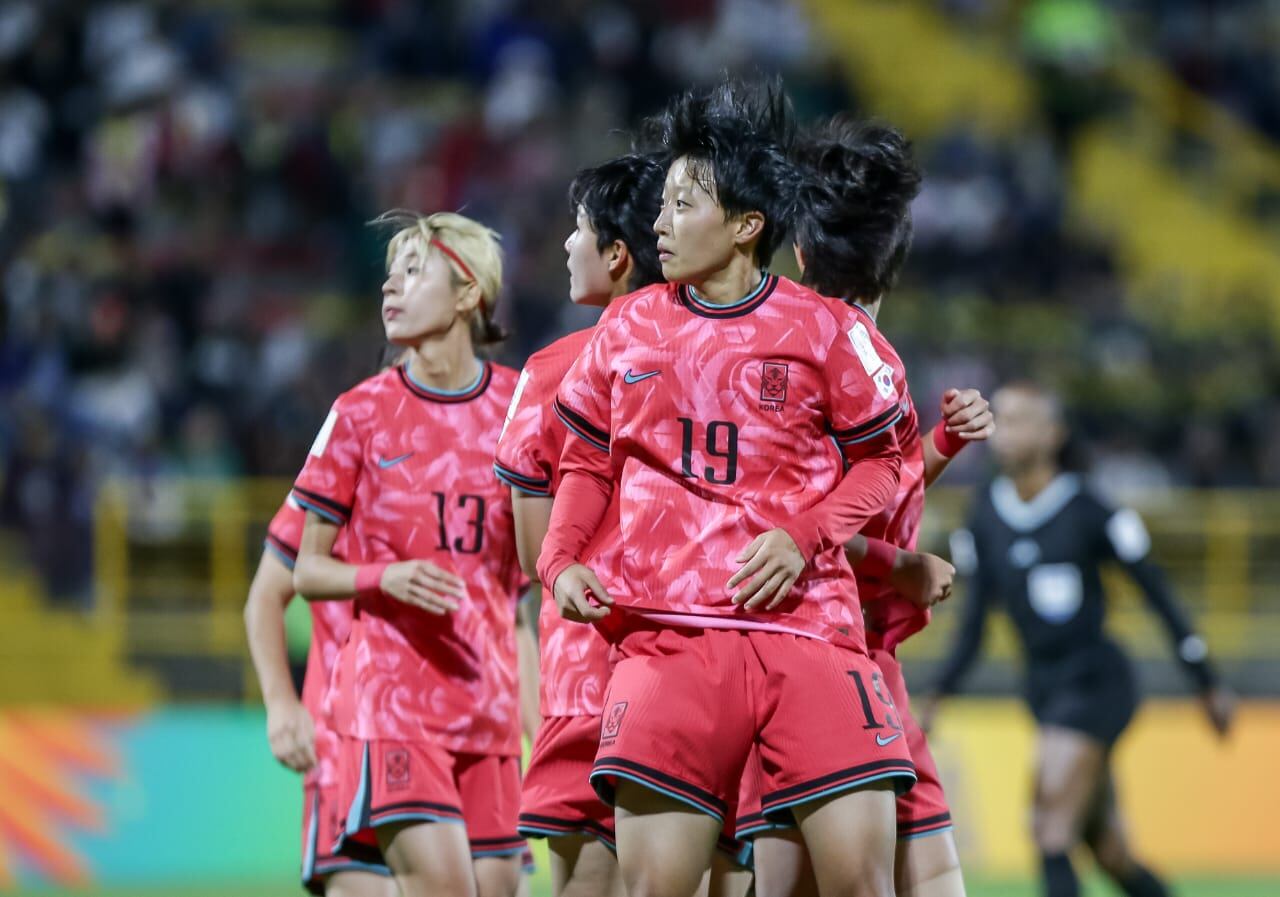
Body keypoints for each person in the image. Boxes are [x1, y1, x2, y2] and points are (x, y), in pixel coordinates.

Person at [538, 79, 915, 897]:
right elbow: (586, 461)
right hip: (667, 638)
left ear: (747, 226)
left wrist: (806, 533)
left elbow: (883, 461)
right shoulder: (627, 328)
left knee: (860, 885)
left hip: (808, 629)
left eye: (683, 204)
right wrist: (560, 560)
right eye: (664, 203)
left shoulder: (827, 331)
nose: (661, 223)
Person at [739, 117, 993, 897]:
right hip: (813, 651)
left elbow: (865, 498)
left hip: (864, 657)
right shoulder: (816, 355)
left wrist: (942, 445)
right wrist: (902, 565)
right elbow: (777, 528)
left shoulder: (856, 360)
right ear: (897, 259)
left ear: (803, 252)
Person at [291, 211, 530, 897]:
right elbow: (306, 569)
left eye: (413, 271)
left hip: (489, 707)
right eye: (389, 275)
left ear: (466, 293)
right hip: (395, 707)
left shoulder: (521, 408)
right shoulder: (358, 413)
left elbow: (527, 581)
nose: (390, 289)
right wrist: (383, 575)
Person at [922, 381, 1235, 897]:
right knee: (1108, 851)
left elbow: (1158, 595)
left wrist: (1205, 680)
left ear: (1053, 434)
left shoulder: (1090, 507)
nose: (1005, 429)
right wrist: (939, 693)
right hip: (1044, 690)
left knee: (1049, 825)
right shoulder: (984, 515)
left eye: (1021, 419)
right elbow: (974, 624)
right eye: (1002, 416)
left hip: (1096, 684)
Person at [495, 152, 665, 897]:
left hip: (582, 669)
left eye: (579, 229)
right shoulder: (715, 359)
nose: (567, 244)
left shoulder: (551, 372)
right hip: (691, 656)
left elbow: (538, 554)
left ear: (618, 254)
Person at [244, 491, 394, 897]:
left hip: (455, 735)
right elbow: (265, 596)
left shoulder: (480, 449)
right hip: (340, 742)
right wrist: (280, 703)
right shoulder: (338, 463)